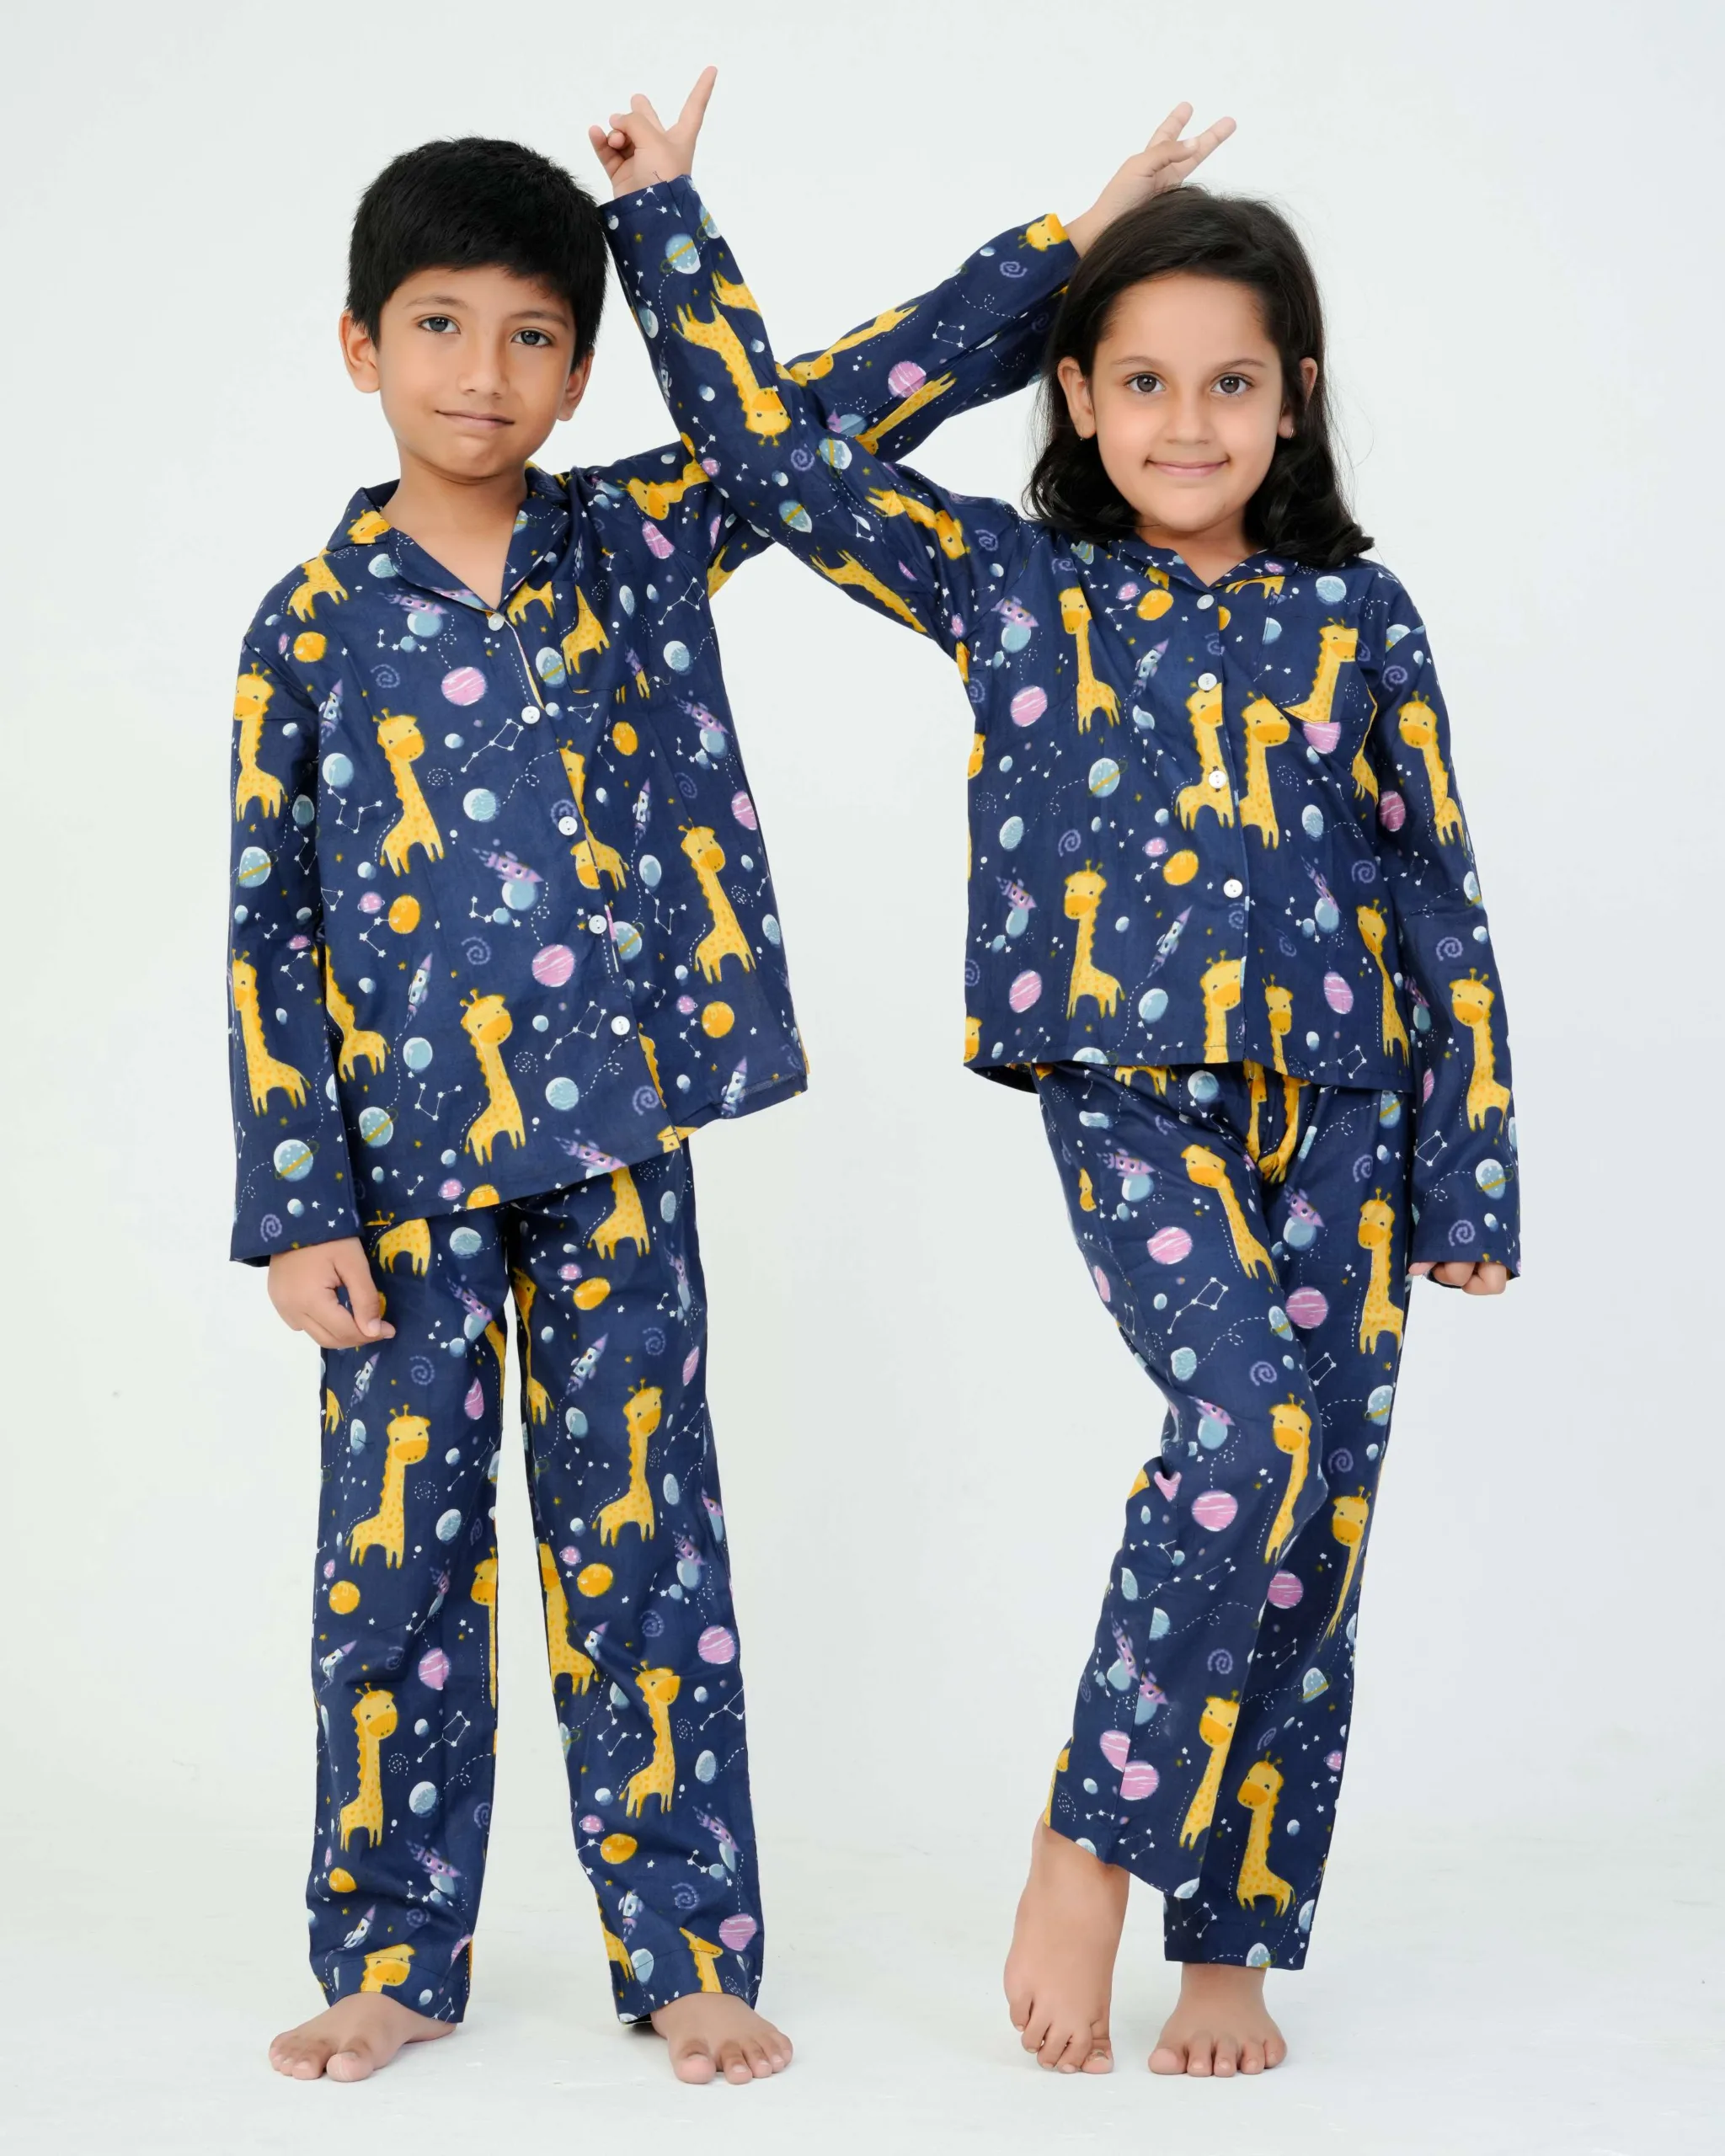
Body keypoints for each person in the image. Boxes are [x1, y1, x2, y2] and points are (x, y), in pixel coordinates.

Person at [601, 99, 1519, 2079]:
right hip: (1125, 1085)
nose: (1187, 420)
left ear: (1294, 397)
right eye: (1142, 379)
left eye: (1231, 381)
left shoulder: (1361, 617)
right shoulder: (1008, 583)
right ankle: (1091, 1832)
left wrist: (1472, 1174)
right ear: (1079, 396)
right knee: (1244, 1421)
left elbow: (1433, 888)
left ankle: (1231, 1942)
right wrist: (688, 221)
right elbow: (770, 453)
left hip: (1351, 1109)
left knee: (1312, 1520)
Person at [232, 103, 1085, 2086]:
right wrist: (296, 1205)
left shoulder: (635, 533)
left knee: (648, 1553)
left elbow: (841, 402)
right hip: (397, 1182)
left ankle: (688, 1950)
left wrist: (1049, 241)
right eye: (439, 326)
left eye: (533, 335)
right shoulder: (307, 625)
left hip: (619, 1135)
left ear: (583, 369)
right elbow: (267, 928)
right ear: (359, 345)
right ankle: (389, 1955)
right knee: (393, 1572)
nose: (484, 372)